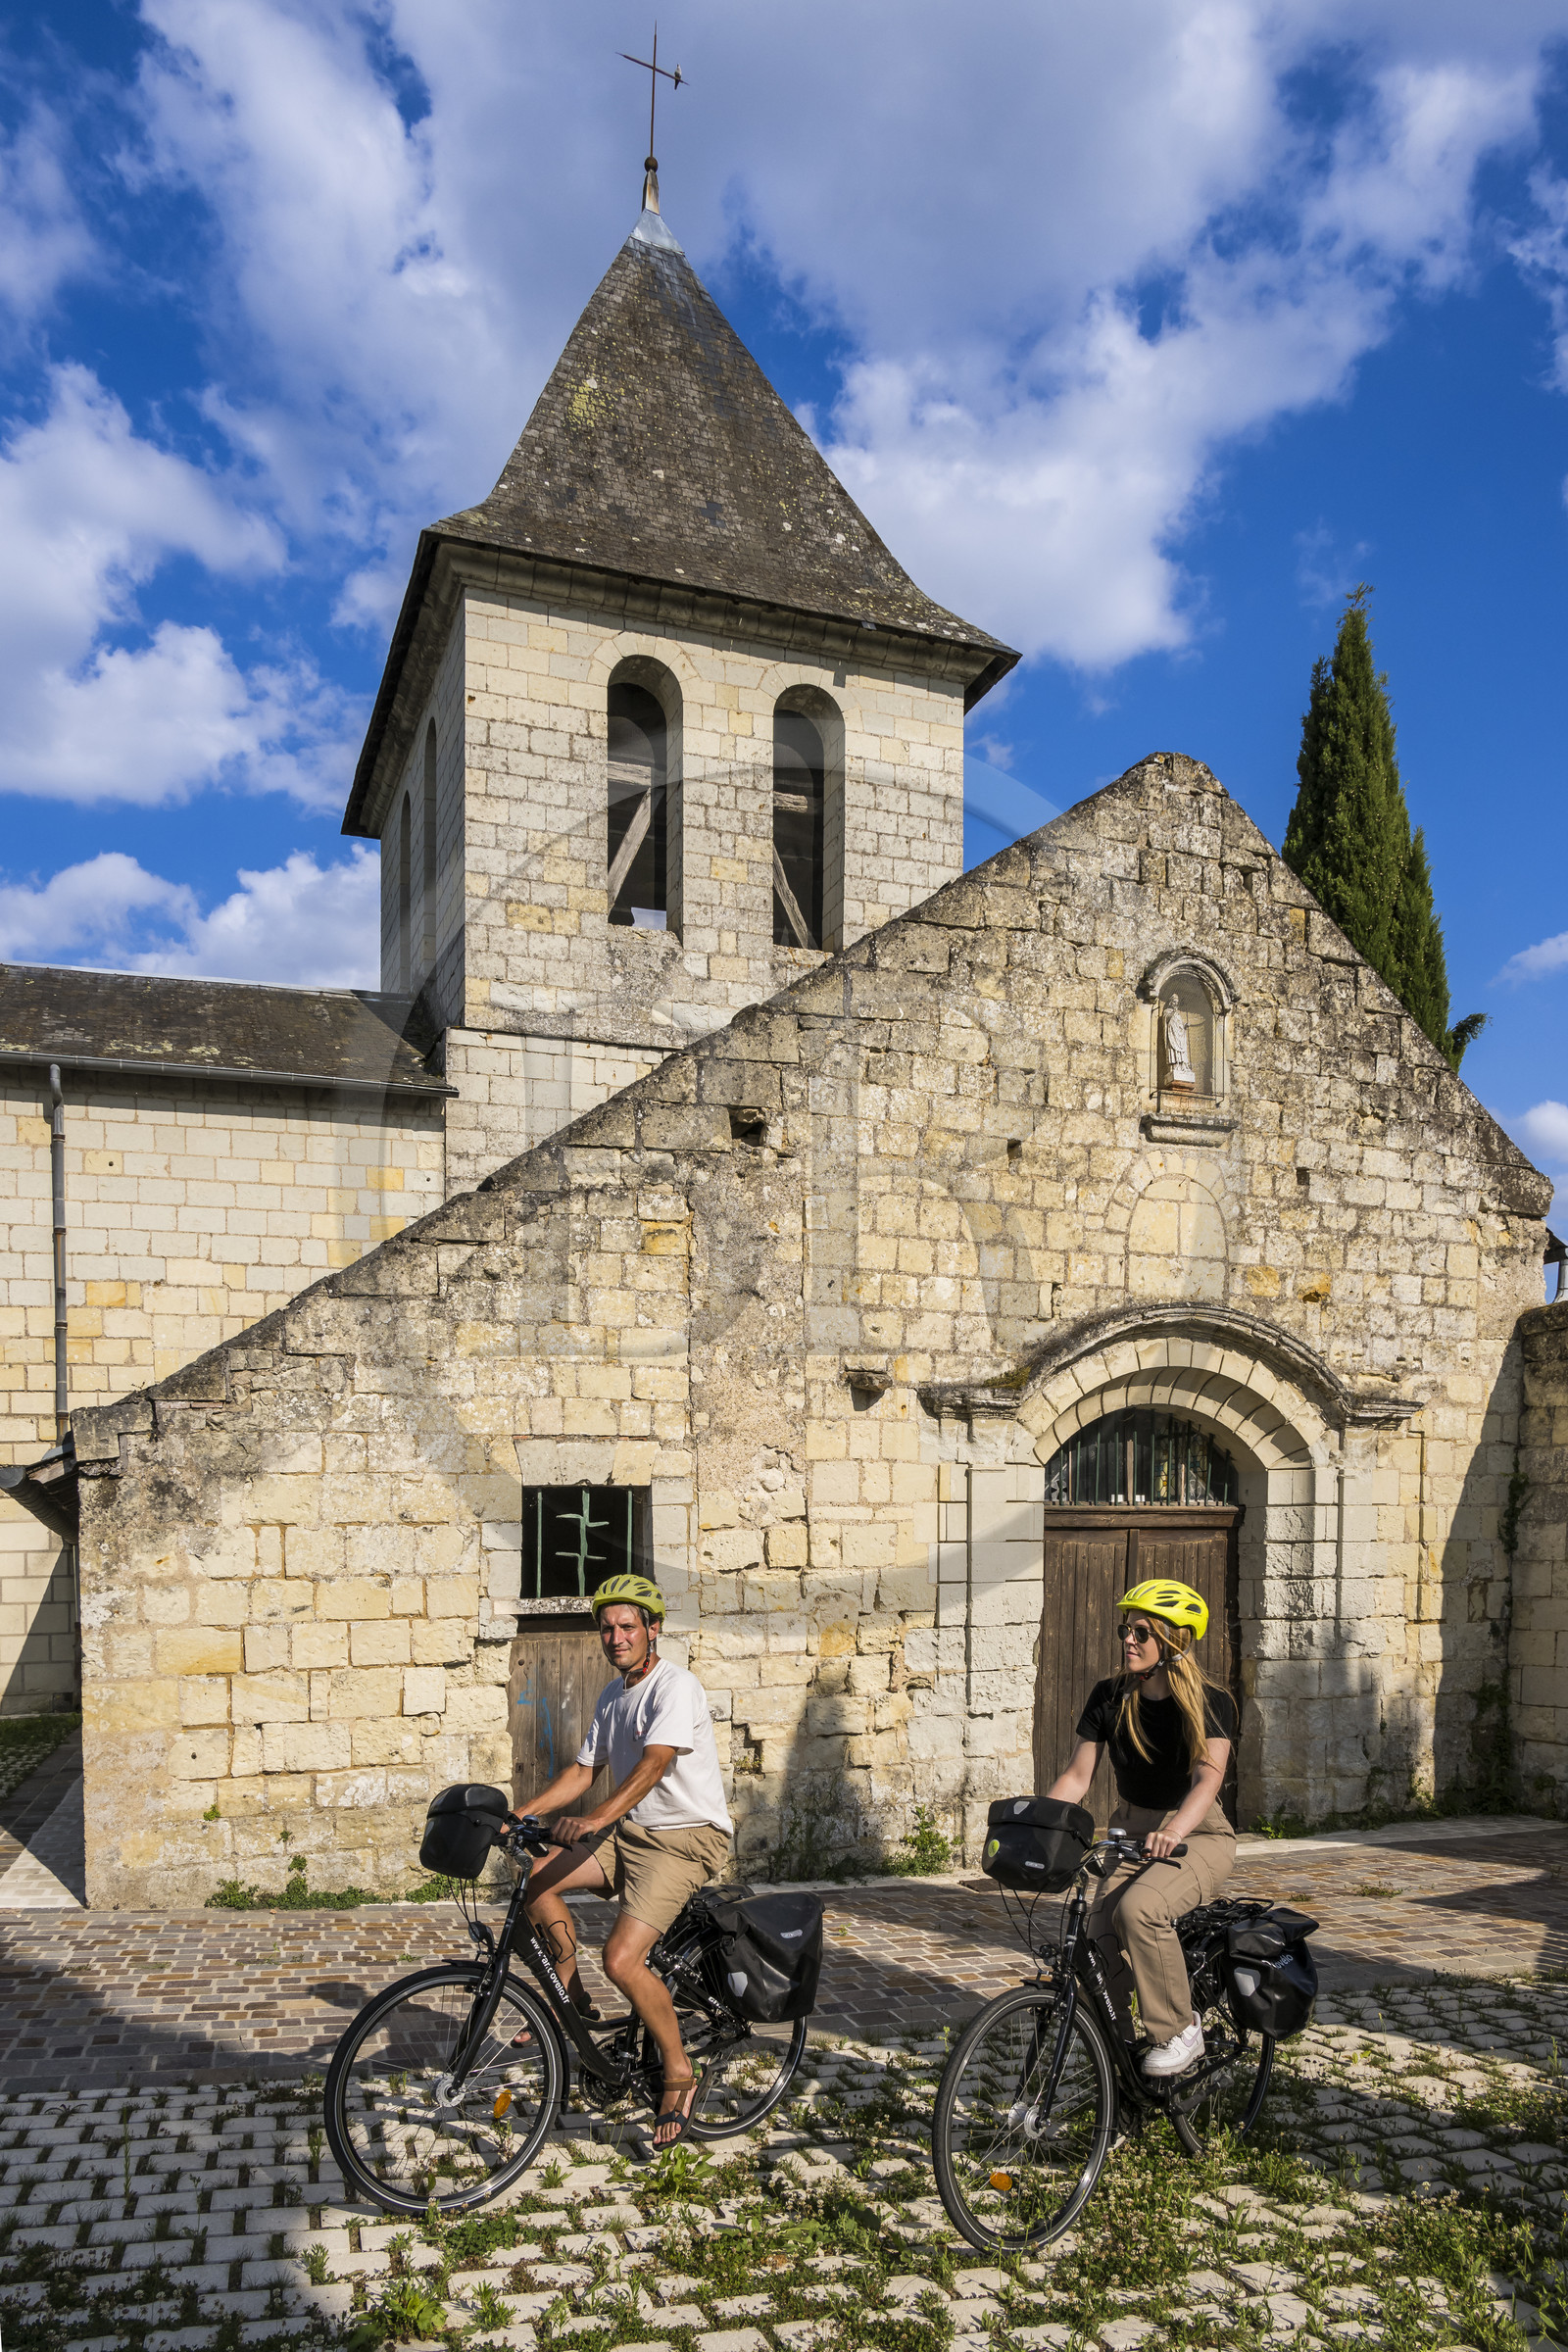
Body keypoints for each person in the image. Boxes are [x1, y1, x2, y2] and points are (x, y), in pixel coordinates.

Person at [516, 1572, 733, 2146]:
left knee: (621, 1959)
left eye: (628, 1626)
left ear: (653, 1630)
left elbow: (655, 1764)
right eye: (607, 1628)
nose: (616, 1636)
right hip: (635, 1832)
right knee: (536, 1879)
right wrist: (523, 1813)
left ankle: (679, 2072)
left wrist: (594, 1820)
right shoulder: (613, 1695)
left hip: (687, 1837)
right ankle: (573, 1997)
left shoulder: (675, 1686)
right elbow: (584, 1770)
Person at [1043, 1577, 1237, 2077]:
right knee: (1095, 1940)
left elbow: (1206, 1783)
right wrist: (1039, 1826)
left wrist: (1174, 1830)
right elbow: (1076, 1777)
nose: (1129, 1640)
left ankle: (1178, 2030)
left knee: (1140, 1910)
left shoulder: (1210, 1701)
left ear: (1174, 1641)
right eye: (1126, 1630)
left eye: (1142, 1632)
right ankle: (1122, 2066)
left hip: (1199, 1833)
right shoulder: (1109, 1697)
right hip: (1130, 1829)